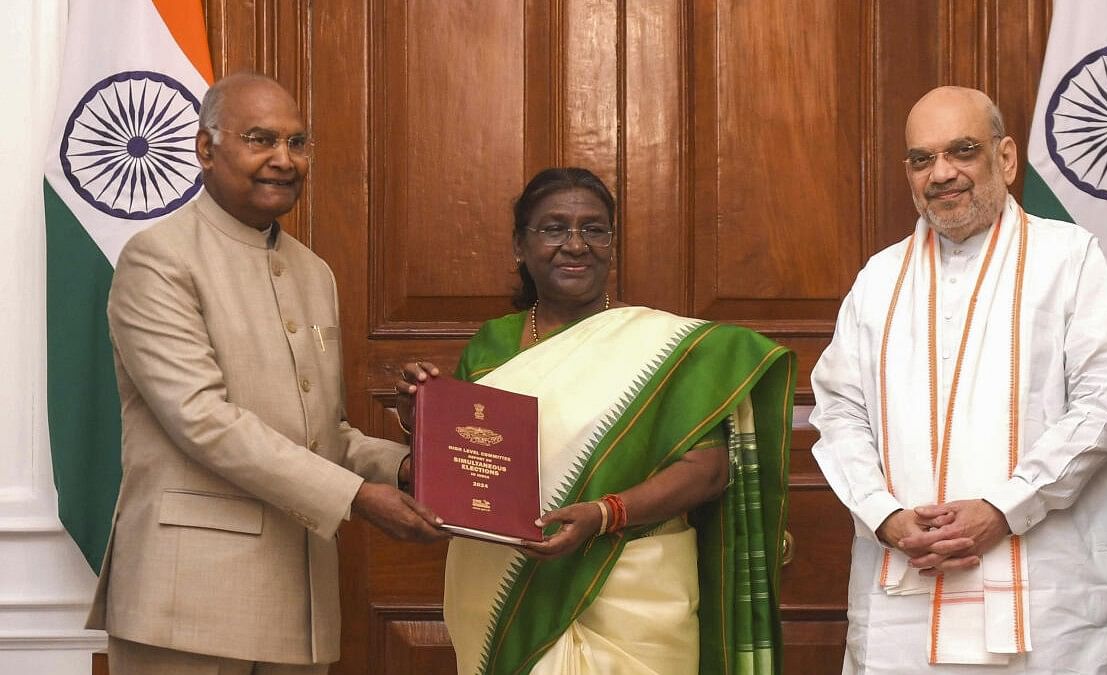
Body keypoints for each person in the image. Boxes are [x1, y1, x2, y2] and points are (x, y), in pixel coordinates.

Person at [86, 73, 448, 674]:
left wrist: (413, 466)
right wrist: (358, 498)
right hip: (187, 602)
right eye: (261, 140)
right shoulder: (159, 258)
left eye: (298, 143)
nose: (284, 160)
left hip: (298, 601)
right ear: (206, 148)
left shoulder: (313, 273)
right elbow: (204, 421)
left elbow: (322, 433)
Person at [810, 86, 1107, 673]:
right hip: (906, 601)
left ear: (1005, 158)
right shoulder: (879, 277)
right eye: (922, 159)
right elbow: (840, 408)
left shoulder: (1068, 257)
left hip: (1049, 605)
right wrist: (884, 515)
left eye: (962, 151)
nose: (941, 174)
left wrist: (1004, 505)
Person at [399, 167, 795, 674]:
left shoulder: (663, 347)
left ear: (611, 242)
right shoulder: (492, 345)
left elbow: (710, 469)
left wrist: (606, 513)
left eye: (594, 229)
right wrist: (424, 418)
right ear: (521, 245)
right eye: (554, 228)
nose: (575, 244)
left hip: (637, 580)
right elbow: (471, 469)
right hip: (510, 583)